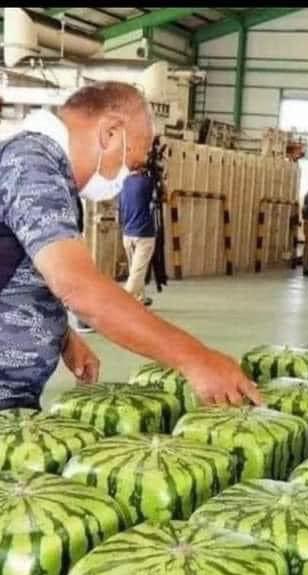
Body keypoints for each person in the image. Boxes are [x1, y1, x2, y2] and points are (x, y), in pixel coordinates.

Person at [0, 81, 260, 410]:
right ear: (110, 132)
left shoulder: (44, 169)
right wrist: (195, 358)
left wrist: (61, 335)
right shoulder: (31, 164)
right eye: (134, 163)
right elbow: (76, 285)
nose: (128, 177)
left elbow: (22, 270)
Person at [118, 165, 155, 307]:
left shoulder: (124, 183)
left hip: (127, 234)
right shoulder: (148, 182)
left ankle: (140, 298)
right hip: (144, 234)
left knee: (135, 269)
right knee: (137, 273)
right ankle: (119, 303)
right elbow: (163, 195)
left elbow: (120, 209)